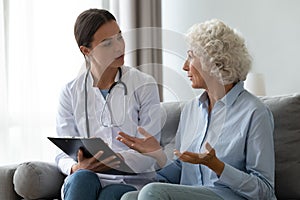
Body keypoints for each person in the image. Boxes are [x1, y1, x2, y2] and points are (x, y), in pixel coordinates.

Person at [118, 19, 276, 200]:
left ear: (215, 62)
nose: (185, 66)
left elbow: (265, 190)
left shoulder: (255, 112)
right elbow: (181, 173)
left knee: (151, 192)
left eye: (191, 56)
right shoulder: (191, 109)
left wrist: (218, 166)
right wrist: (157, 155)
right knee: (128, 197)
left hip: (230, 197)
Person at [55, 8, 161, 200]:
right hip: (87, 176)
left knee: (111, 194)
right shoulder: (70, 92)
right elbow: (61, 151)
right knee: (81, 179)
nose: (119, 47)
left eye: (119, 37)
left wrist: (116, 160)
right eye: (107, 43)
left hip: (131, 180)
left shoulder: (144, 85)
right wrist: (76, 167)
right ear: (86, 51)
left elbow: (151, 150)